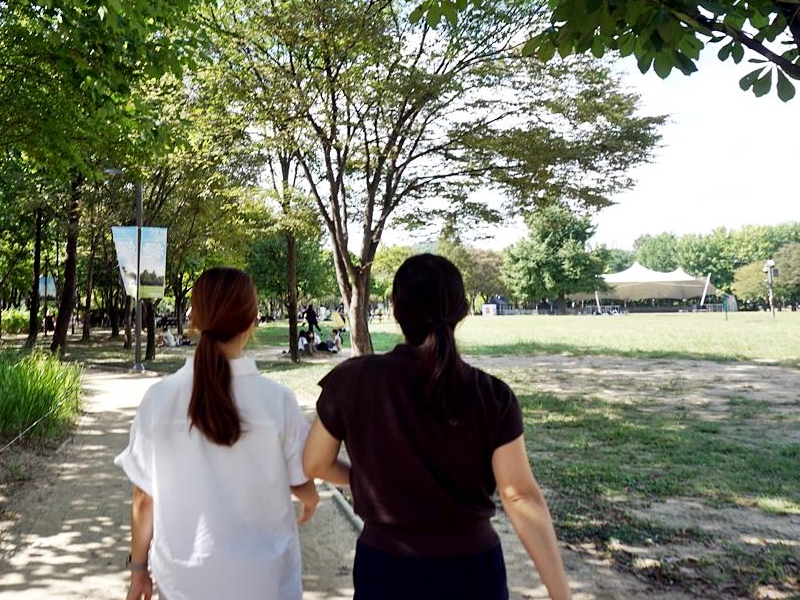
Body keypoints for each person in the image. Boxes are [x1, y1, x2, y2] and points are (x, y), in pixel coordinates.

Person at [303, 254, 571, 600]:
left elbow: (314, 464)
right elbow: (518, 494)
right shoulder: (493, 395)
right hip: (473, 574)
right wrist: (561, 594)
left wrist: (366, 478)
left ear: (396, 310)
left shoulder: (352, 380)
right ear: (461, 311)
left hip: (385, 572)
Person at [116, 267, 319, 600]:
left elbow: (144, 498)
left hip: (183, 582)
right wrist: (311, 500)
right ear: (252, 319)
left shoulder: (159, 400)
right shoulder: (277, 401)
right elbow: (300, 478)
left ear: (195, 319)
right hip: (266, 583)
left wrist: (138, 571)